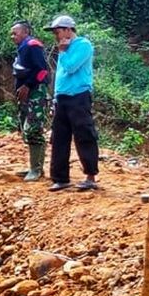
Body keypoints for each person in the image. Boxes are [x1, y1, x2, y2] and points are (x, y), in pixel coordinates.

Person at [45, 15, 100, 192]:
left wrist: (62, 51)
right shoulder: (64, 48)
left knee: (84, 134)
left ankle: (90, 176)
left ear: (69, 30)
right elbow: (60, 76)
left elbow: (70, 67)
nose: (56, 35)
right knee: (59, 138)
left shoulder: (83, 45)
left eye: (58, 31)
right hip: (62, 97)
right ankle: (60, 178)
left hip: (79, 96)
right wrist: (55, 98)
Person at [11, 21, 50, 181]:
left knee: (33, 128)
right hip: (27, 93)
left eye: (15, 33)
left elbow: (42, 70)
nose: (13, 36)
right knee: (27, 128)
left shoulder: (33, 45)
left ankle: (36, 169)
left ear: (25, 32)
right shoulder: (23, 47)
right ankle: (35, 167)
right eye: (12, 34)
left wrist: (28, 85)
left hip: (36, 92)